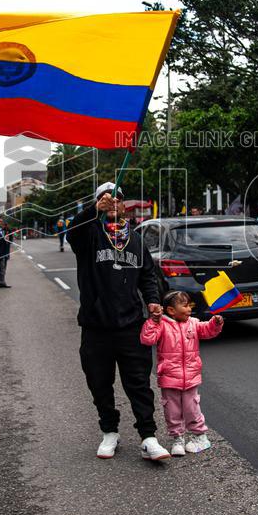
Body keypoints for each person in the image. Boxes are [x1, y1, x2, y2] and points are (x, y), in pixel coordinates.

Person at [67, 182, 169, 462]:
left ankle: (148, 436)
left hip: (131, 325)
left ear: (124, 205)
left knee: (138, 383)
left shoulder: (135, 239)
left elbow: (148, 274)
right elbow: (71, 233)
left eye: (117, 200)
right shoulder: (89, 234)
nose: (112, 203)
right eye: (105, 199)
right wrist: (92, 211)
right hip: (95, 326)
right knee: (99, 382)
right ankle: (109, 431)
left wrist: (152, 300)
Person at [140, 291, 223, 456]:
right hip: (169, 377)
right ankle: (178, 438)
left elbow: (207, 331)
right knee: (172, 410)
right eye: (185, 305)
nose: (189, 309)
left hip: (191, 377)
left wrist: (215, 323)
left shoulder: (193, 323)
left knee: (192, 408)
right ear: (171, 310)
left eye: (190, 305)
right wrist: (153, 321)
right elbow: (147, 339)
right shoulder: (161, 324)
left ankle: (201, 437)